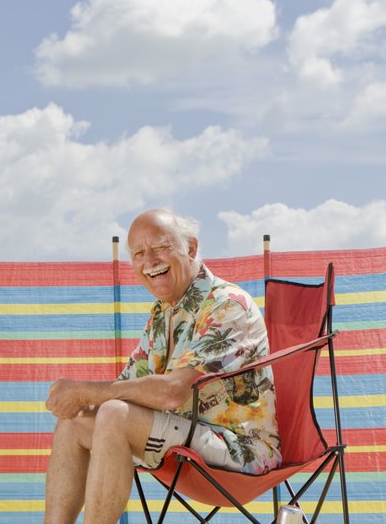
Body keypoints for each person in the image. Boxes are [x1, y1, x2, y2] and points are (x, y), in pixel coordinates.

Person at [44, 208, 281, 524]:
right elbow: (125, 387)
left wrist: (85, 390)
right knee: (75, 422)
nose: (149, 261)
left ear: (191, 248)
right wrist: (76, 399)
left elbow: (171, 394)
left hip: (241, 450)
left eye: (160, 247)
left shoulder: (226, 304)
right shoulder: (162, 315)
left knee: (113, 413)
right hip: (187, 442)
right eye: (139, 253)